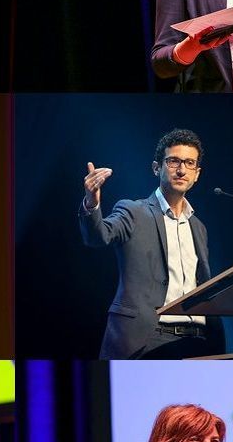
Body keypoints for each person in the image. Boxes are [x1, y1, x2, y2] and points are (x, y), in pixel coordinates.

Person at [79, 128, 217, 359]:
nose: (181, 170)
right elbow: (98, 236)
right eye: (173, 161)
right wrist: (92, 202)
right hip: (148, 338)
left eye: (189, 163)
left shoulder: (199, 227)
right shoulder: (133, 211)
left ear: (197, 173)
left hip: (198, 339)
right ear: (157, 168)